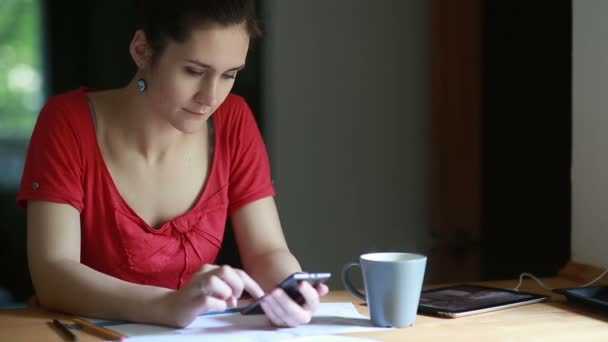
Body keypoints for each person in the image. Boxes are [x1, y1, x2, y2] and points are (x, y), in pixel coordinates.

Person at [17, 0, 328, 328]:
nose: (210, 96)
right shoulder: (67, 122)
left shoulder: (233, 120)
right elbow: (53, 273)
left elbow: (266, 251)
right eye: (194, 71)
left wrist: (290, 286)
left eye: (229, 75)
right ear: (142, 50)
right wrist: (165, 305)